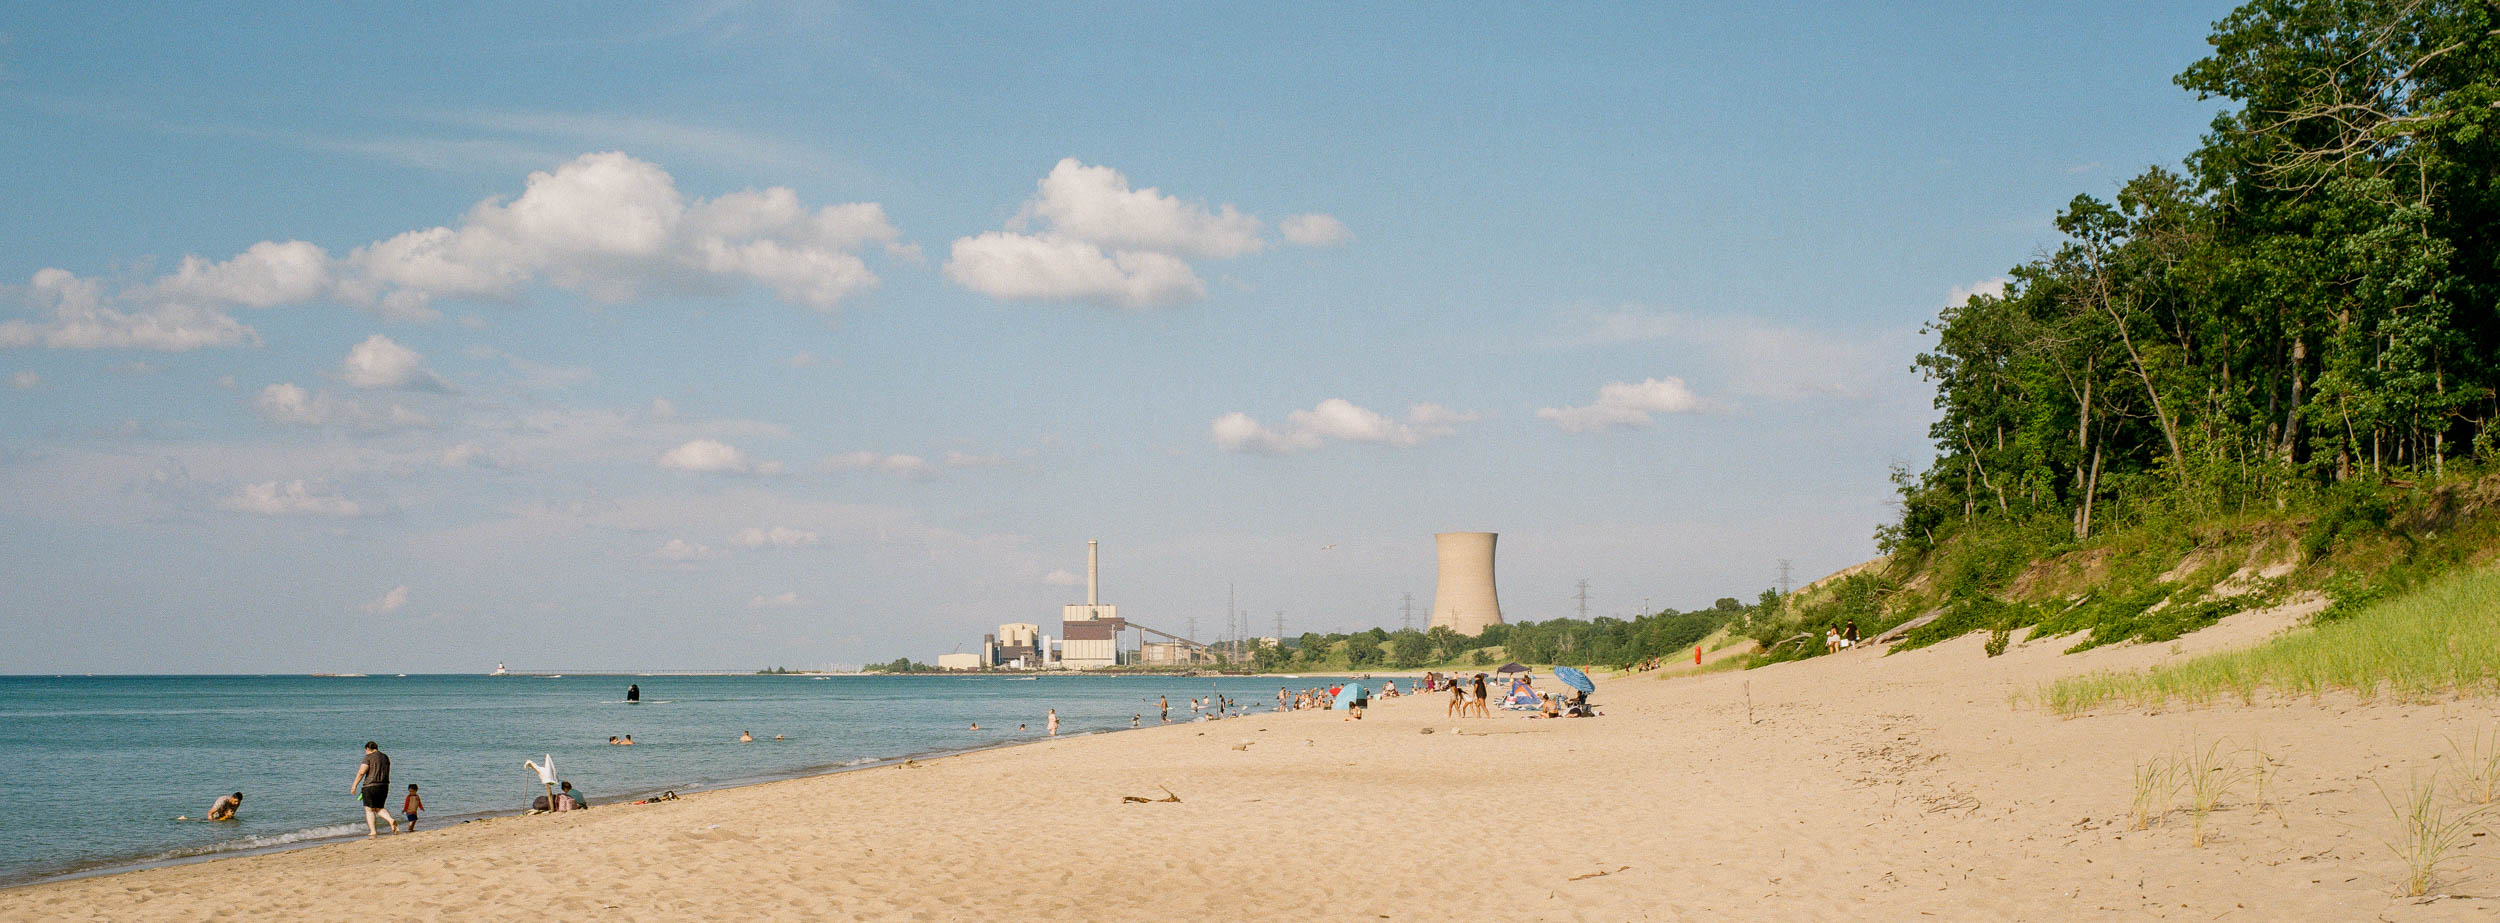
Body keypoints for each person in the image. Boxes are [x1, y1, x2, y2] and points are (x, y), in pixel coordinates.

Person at [352, 741, 399, 837]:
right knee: (379, 808)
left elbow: (361, 772)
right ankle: (390, 819)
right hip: (384, 785)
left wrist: (354, 785)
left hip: (370, 785)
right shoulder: (385, 757)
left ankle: (373, 831)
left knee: (369, 809)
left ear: (367, 749)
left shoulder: (368, 757)